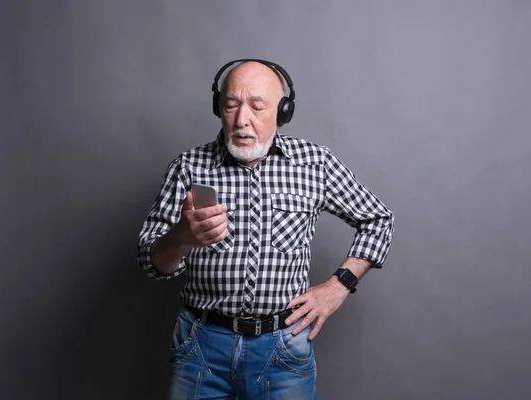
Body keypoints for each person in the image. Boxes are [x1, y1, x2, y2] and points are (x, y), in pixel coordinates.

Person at [137, 59, 395, 399]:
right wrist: (180, 238)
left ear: (282, 112)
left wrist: (339, 285)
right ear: (219, 108)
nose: (242, 120)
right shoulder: (188, 167)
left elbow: (378, 219)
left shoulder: (315, 164)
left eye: (257, 107)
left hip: (283, 350)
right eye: (231, 105)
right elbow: (150, 262)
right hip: (200, 347)